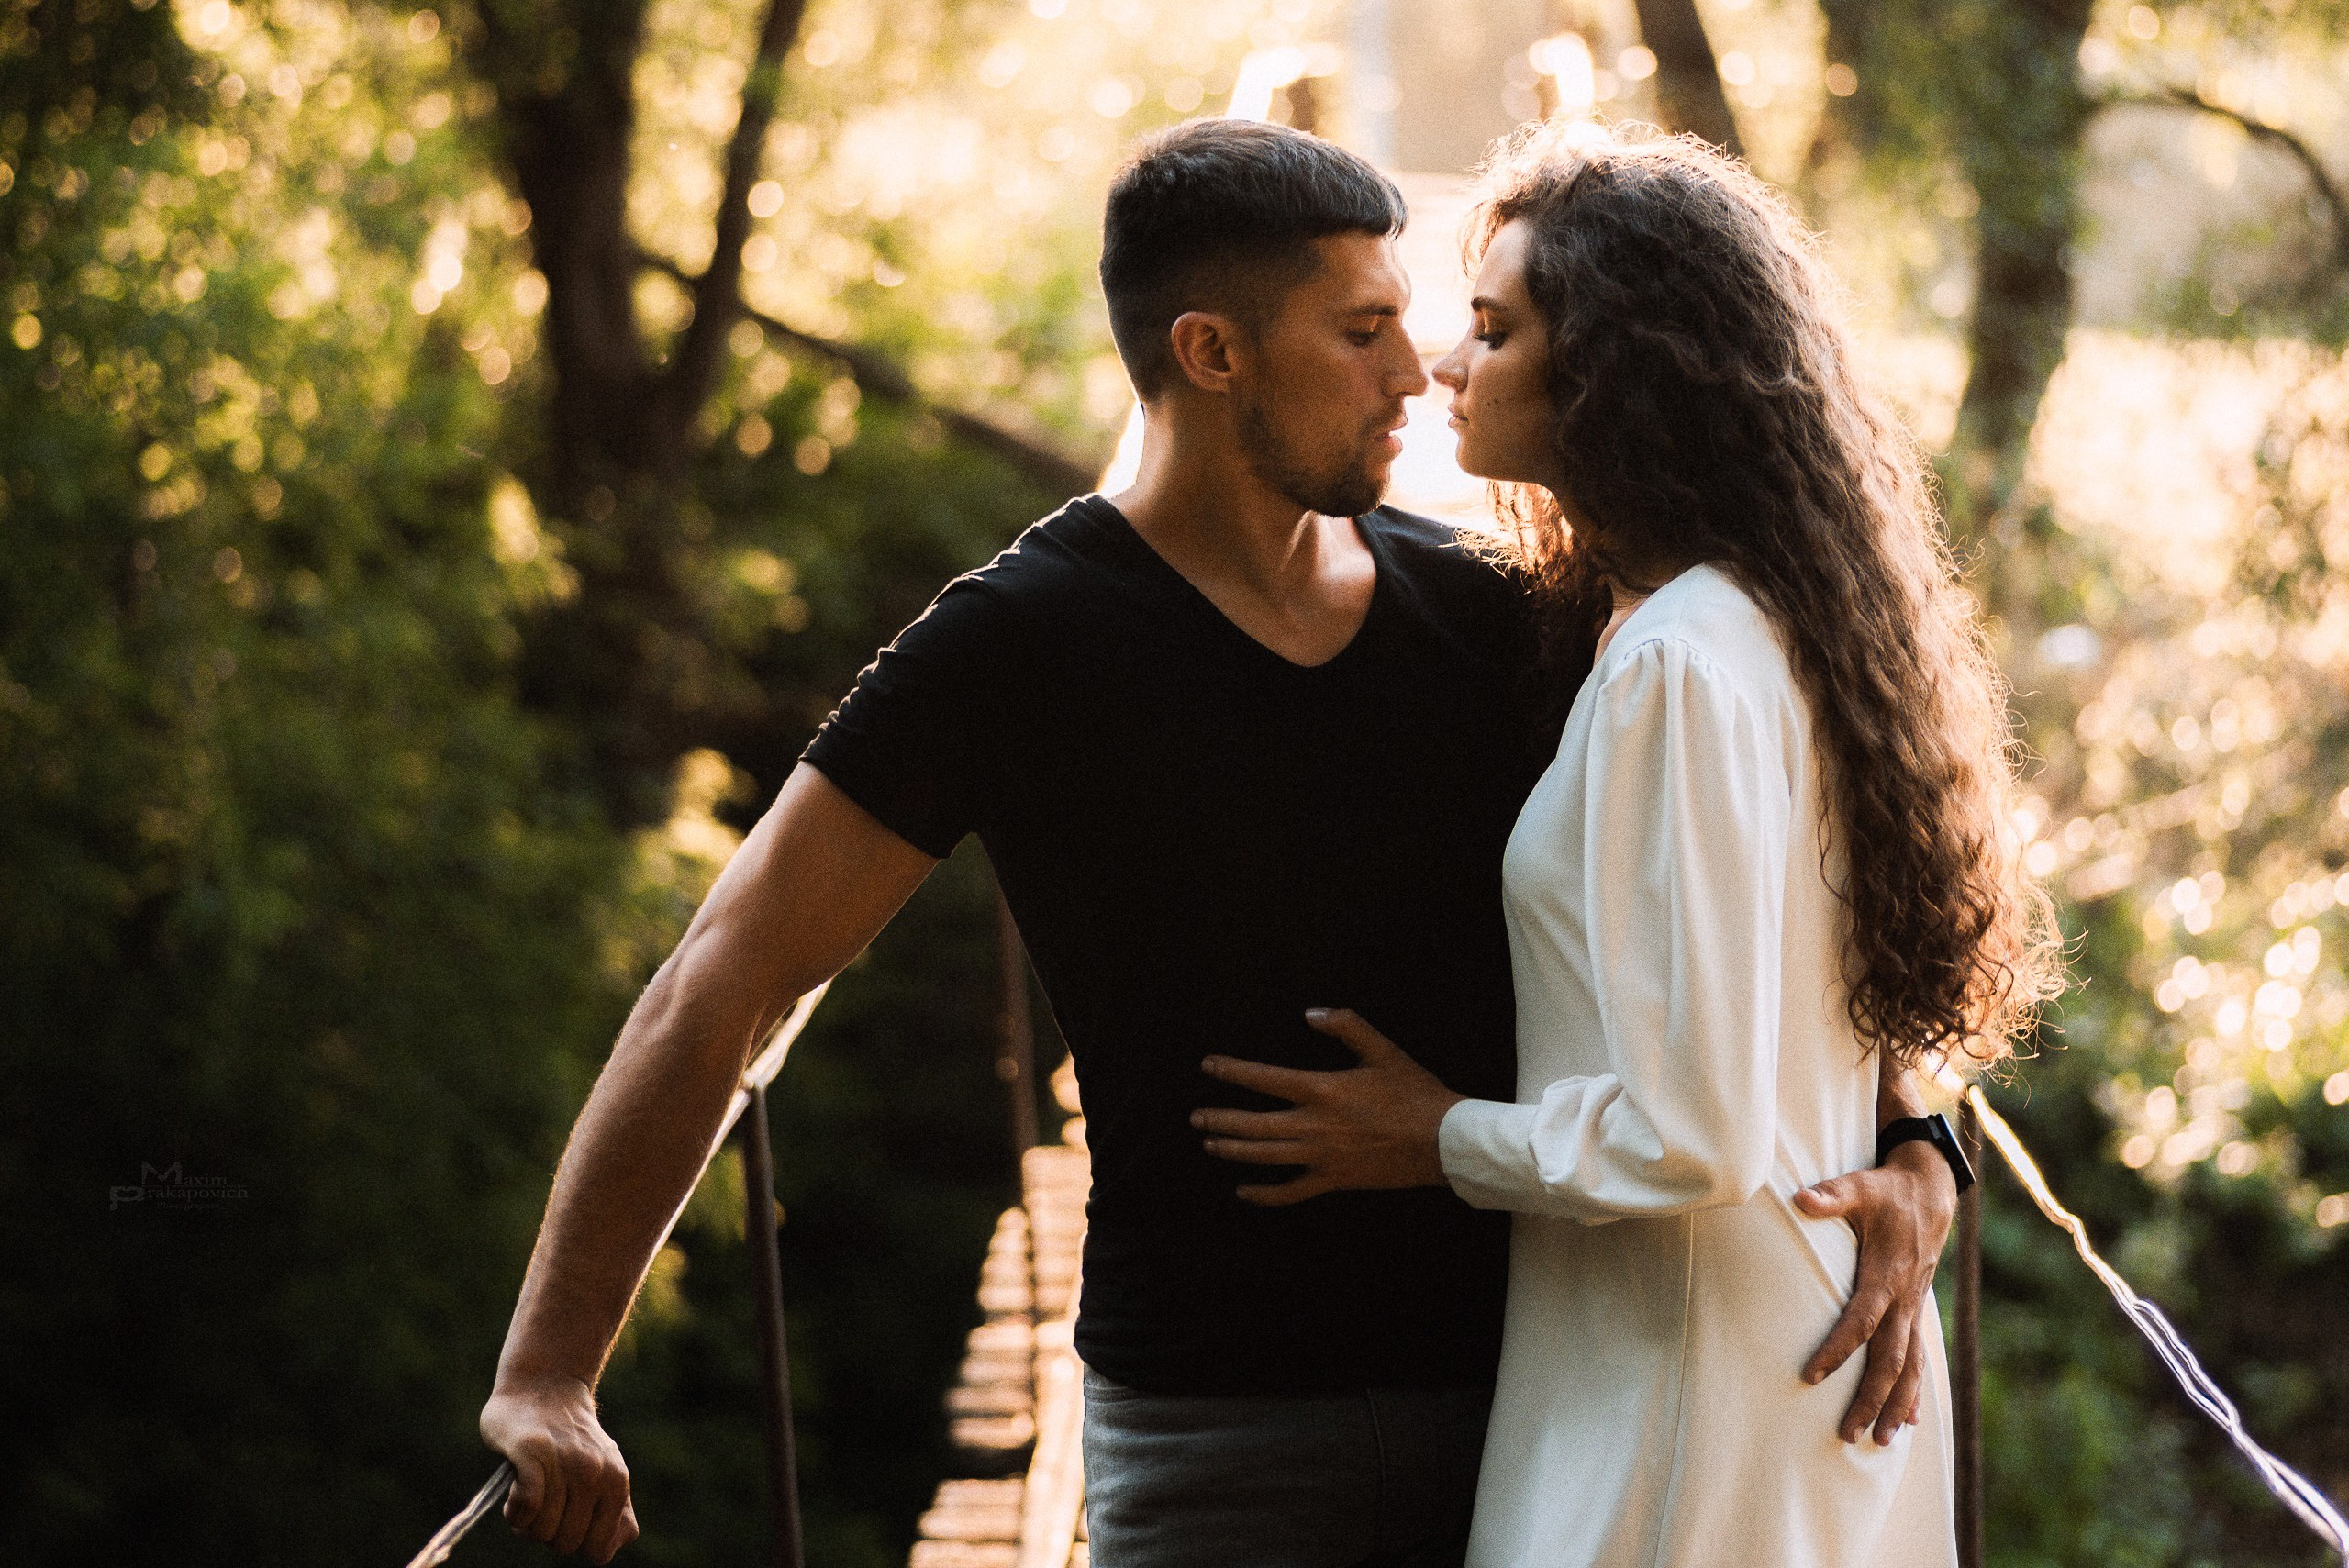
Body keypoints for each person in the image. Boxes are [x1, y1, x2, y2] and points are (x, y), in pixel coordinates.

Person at [476, 119, 1958, 1568]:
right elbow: (726, 979)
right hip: (1211, 1436)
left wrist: (1911, 1136)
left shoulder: (1507, 611)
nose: (1418, 374)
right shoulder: (1014, 645)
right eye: (1364, 332)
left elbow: (1797, 859)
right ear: (1212, 352)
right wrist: (550, 1368)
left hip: (1539, 1398)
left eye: (1435, 326)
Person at [1192, 123, 2062, 1567]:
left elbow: (1697, 1131)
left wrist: (1434, 1136)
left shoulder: (1679, 660)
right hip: (1774, 1334)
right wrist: (1921, 1149)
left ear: (1619, 364)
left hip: (1692, 1376)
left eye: (1493, 325)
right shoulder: (1766, 619)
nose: (1442, 365)